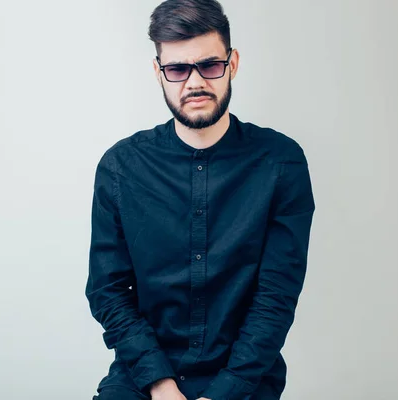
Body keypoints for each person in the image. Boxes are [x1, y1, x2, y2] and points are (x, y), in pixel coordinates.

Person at [85, 0, 316, 399]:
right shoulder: (121, 166)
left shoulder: (281, 162)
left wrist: (223, 392)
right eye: (177, 69)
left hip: (244, 378)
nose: (195, 83)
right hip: (143, 376)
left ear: (233, 63)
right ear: (158, 73)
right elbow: (107, 290)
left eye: (209, 65)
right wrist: (160, 385)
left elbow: (276, 296)